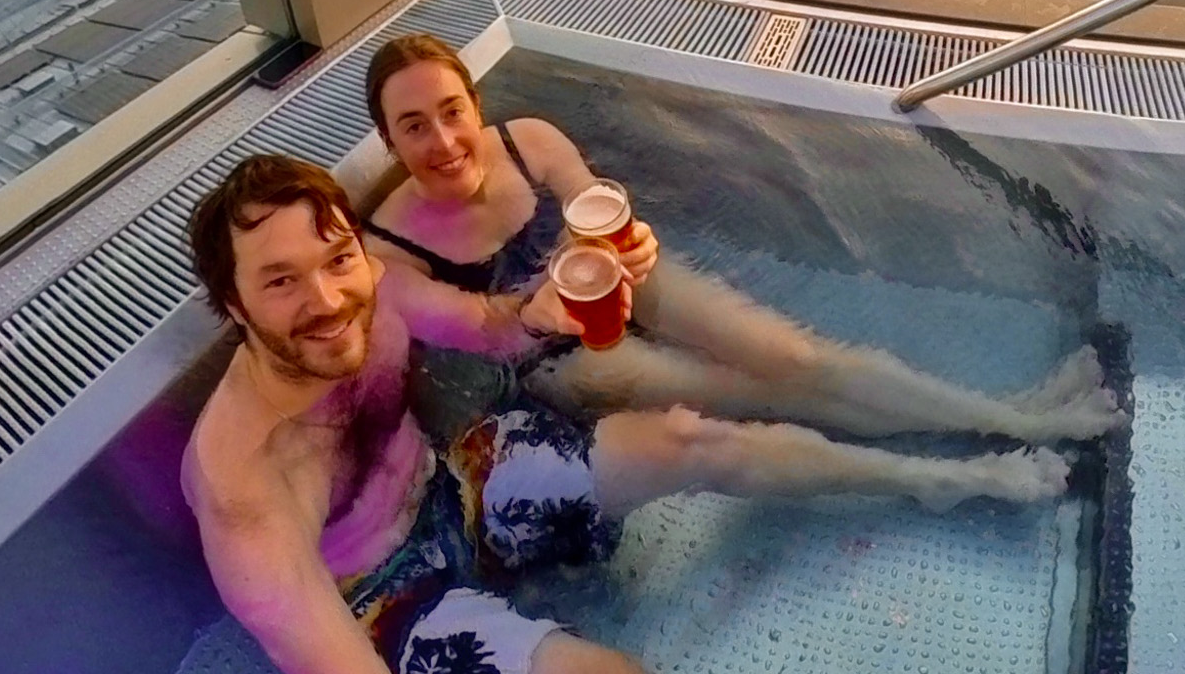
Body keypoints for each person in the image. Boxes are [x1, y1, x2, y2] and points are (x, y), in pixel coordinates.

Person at [182, 153, 1077, 674]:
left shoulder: (374, 288)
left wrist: (555, 303)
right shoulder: (246, 498)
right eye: (281, 281)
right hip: (391, 606)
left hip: (456, 484)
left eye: (336, 257)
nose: (330, 297)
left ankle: (938, 483)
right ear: (233, 306)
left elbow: (496, 328)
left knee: (693, 436)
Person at [348, 33, 1121, 446]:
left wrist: (639, 245)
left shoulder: (531, 141)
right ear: (387, 141)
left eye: (452, 111)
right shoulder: (389, 253)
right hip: (557, 360)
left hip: (614, 287)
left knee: (797, 359)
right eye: (414, 126)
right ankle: (1020, 426)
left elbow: (598, 212)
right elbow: (485, 332)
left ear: (474, 103)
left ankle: (1009, 414)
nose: (445, 141)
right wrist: (531, 312)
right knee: (757, 394)